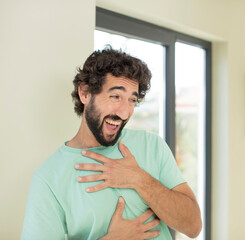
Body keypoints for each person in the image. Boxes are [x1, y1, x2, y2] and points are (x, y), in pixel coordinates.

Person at [21, 47, 202, 240]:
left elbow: (193, 227)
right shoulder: (49, 176)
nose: (124, 113)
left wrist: (139, 179)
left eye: (132, 100)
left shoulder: (152, 146)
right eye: (115, 96)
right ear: (85, 93)